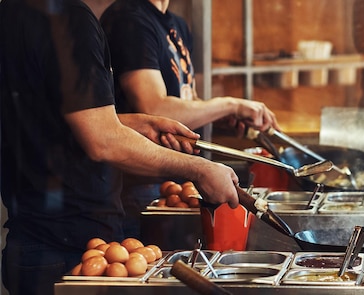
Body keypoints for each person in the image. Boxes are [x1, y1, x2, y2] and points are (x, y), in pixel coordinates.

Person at [0, 0, 241, 294]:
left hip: (29, 239)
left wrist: (133, 123)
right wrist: (199, 169)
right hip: (70, 242)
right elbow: (102, 141)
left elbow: (47, 118)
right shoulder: (71, 18)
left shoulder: (15, 10)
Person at [99, 0, 282, 237]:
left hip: (183, 181)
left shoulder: (177, 25)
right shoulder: (129, 18)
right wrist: (229, 104)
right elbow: (153, 108)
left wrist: (221, 117)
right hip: (144, 192)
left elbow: (189, 102)